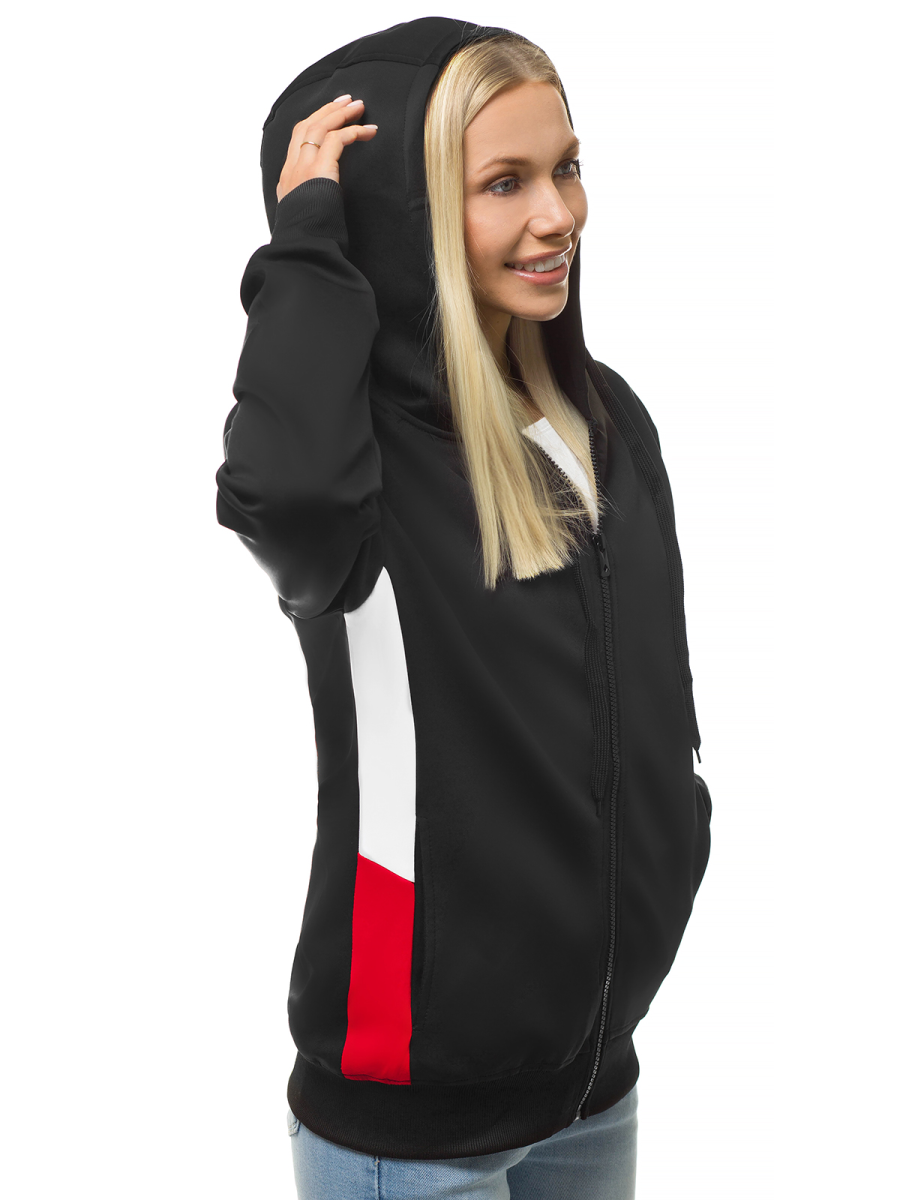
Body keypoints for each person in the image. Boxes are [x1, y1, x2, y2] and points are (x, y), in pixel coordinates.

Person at [215, 15, 712, 1200]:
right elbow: (280, 495)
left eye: (566, 167)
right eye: (504, 183)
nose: (559, 214)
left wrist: (681, 826)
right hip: (413, 1124)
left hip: (593, 1083)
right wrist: (309, 247)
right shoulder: (361, 473)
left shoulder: (605, 422)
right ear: (407, 214)